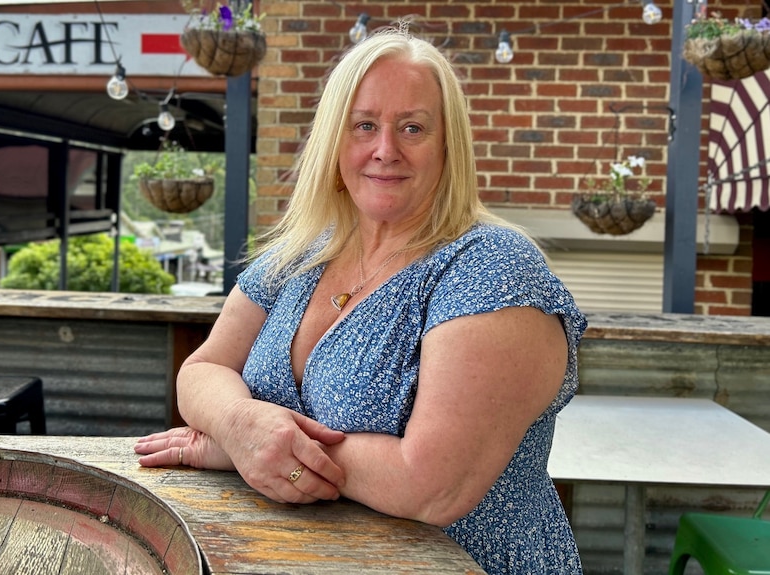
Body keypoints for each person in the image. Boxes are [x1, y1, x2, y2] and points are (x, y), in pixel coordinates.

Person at [135, 27, 586, 575]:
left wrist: (246, 449)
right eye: (364, 125)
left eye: (413, 128)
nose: (385, 150)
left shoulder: (493, 267)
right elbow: (202, 369)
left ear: (449, 146)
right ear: (335, 140)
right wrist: (239, 423)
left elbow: (429, 486)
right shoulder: (302, 254)